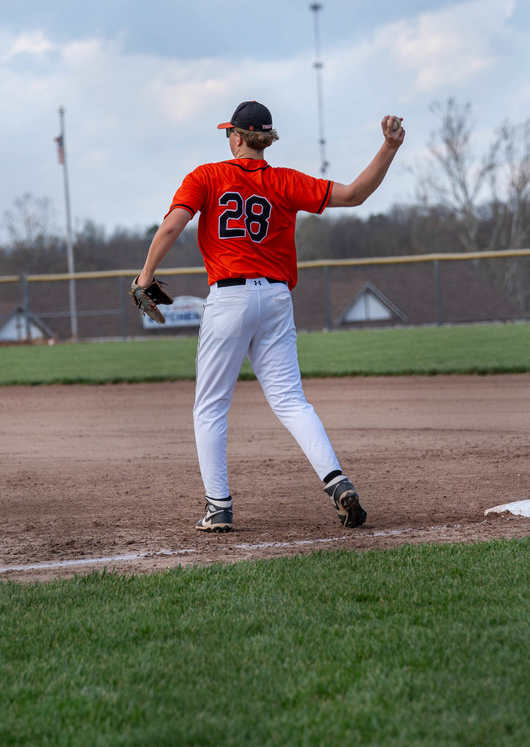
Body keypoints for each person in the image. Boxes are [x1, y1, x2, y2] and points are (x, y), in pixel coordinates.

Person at [135, 100, 405, 533]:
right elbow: (355, 194)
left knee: (210, 407)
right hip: (276, 298)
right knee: (291, 401)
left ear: (238, 138)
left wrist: (145, 275)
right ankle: (337, 482)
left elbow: (171, 227)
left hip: (228, 298)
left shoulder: (206, 176)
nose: (228, 139)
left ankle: (219, 507)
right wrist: (389, 147)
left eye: (229, 133)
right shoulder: (285, 181)